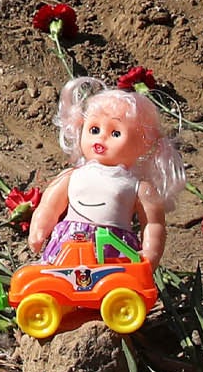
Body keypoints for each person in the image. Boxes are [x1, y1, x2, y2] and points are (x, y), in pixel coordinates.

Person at [26, 77, 184, 267]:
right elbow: (50, 206)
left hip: (114, 248)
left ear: (143, 144)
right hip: (69, 245)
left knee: (111, 283)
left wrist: (151, 252)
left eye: (115, 133)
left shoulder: (137, 187)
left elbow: (153, 223)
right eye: (94, 129)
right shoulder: (72, 176)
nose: (101, 137)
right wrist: (39, 230)